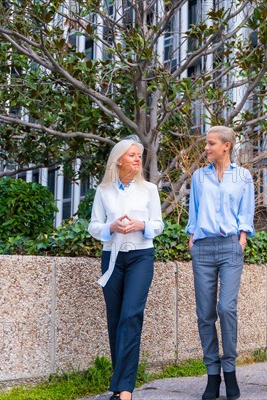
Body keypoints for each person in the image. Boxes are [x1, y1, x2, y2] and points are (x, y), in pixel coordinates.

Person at [88, 135, 165, 400]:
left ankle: (125, 390)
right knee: (116, 319)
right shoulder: (103, 191)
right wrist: (111, 227)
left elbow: (158, 224)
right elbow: (93, 226)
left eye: (138, 156)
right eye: (132, 155)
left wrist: (141, 225)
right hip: (111, 258)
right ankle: (119, 383)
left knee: (131, 315)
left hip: (140, 257)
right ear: (119, 159)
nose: (137, 159)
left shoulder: (149, 190)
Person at [186, 126, 255, 400]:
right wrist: (192, 240)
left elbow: (246, 213)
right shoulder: (198, 177)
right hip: (202, 248)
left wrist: (241, 239)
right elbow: (194, 212)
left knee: (226, 308)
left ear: (226, 146)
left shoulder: (243, 177)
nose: (206, 148)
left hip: (229, 248)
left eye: (211, 144)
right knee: (205, 314)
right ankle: (212, 375)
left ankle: (230, 370)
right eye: (207, 144)